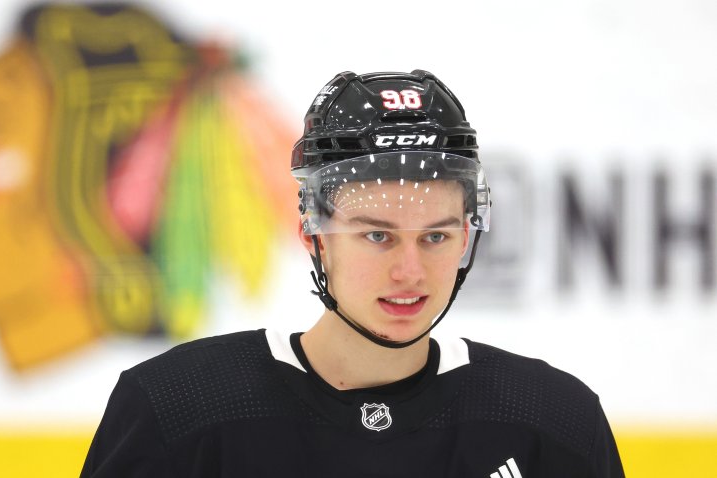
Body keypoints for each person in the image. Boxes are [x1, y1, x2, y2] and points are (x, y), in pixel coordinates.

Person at [80, 70, 625, 477]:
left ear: (466, 234)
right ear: (314, 238)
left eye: (435, 236)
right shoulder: (176, 409)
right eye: (377, 236)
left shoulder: (552, 423)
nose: (410, 271)